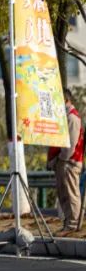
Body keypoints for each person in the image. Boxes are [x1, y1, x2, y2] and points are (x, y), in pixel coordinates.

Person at [49, 90, 85, 231]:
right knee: (64, 194)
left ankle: (73, 224)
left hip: (69, 162)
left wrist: (61, 158)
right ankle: (68, 223)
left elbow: (70, 144)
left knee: (71, 194)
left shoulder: (72, 118)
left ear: (65, 100)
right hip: (64, 161)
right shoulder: (65, 117)